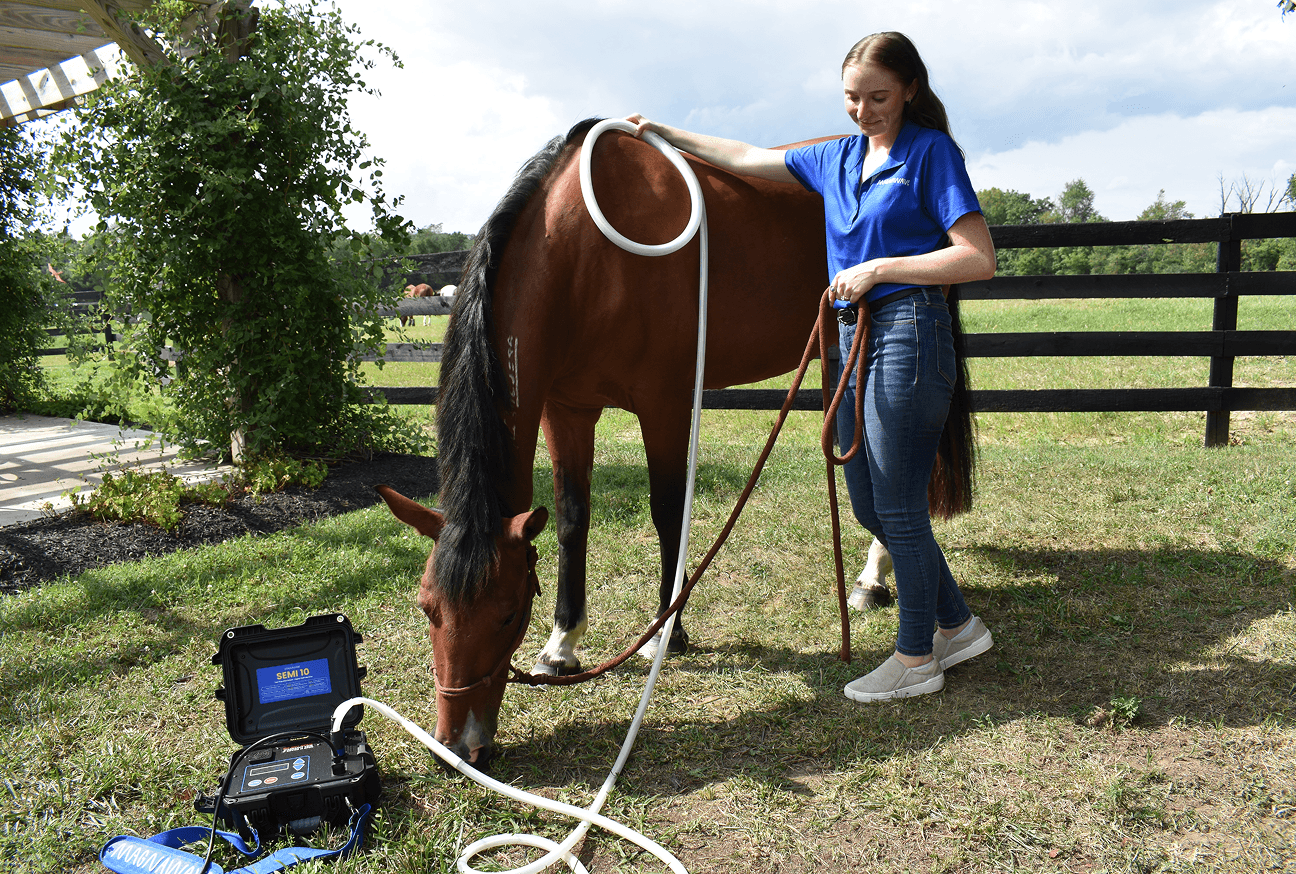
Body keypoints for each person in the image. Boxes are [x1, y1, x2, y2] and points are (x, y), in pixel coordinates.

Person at [628, 31, 996, 702]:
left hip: (908, 329)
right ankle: (959, 624)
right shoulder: (837, 158)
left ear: (910, 89)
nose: (865, 110)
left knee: (900, 503)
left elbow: (976, 257)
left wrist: (880, 268)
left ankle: (917, 658)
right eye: (853, 98)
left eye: (879, 96)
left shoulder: (931, 154)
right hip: (849, 337)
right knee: (868, 500)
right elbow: (743, 157)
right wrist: (663, 131)